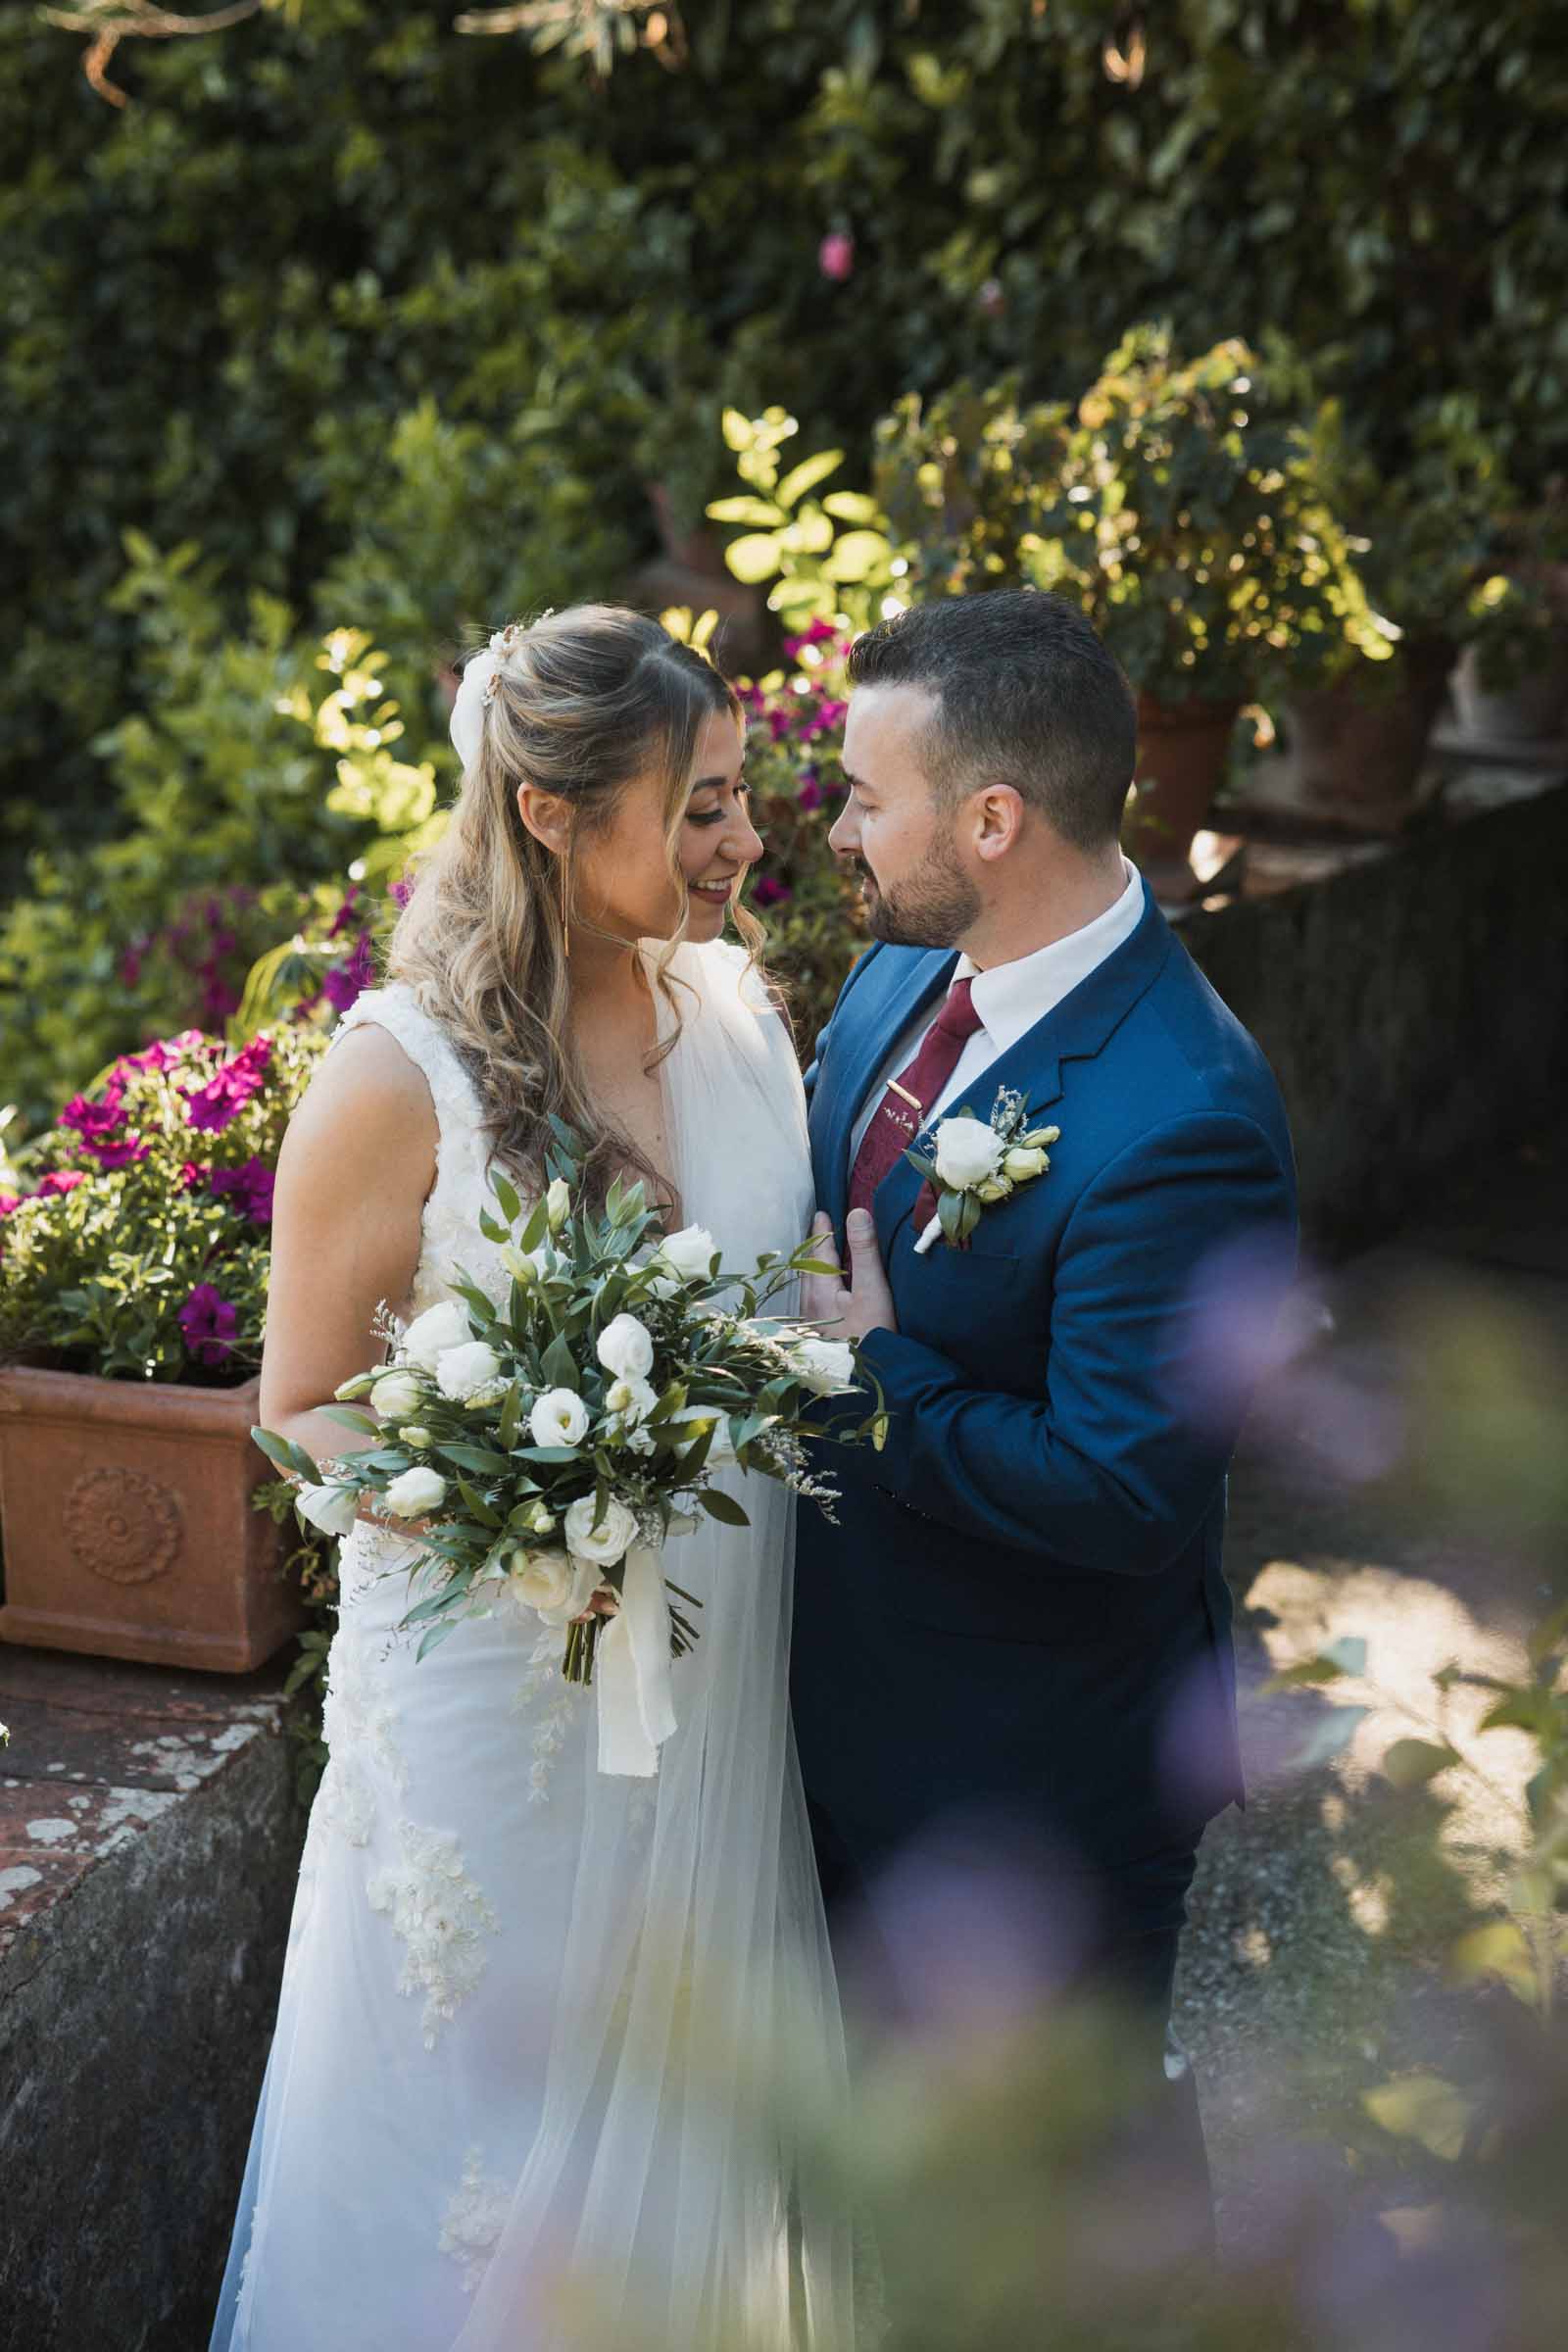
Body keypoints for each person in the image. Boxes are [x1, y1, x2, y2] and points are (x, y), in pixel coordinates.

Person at [210, 607, 857, 2352]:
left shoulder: (735, 1015)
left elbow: (766, 1294)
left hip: (717, 1679)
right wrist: (505, 1521)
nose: (743, 842)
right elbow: (303, 1405)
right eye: (700, 806)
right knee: (471, 2132)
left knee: (689, 2106)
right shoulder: (389, 1075)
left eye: (743, 797)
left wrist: (827, 1321)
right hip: (492, 1707)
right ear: (557, 813)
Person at [793, 589, 1299, 2246]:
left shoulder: (1182, 1119)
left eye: (871, 797)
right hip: (842, 1729)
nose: (843, 829)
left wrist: (882, 1382)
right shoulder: (895, 983)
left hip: (1027, 1785)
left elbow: (1120, 1491)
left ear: (992, 821)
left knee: (1074, 2238)